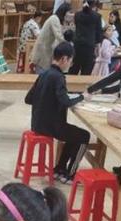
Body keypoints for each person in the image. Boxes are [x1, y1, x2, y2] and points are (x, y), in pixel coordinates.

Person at [25, 42, 91, 183]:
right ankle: (70, 174)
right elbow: (65, 101)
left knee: (73, 135)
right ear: (64, 59)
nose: (70, 64)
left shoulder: (44, 74)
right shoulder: (59, 77)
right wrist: (82, 97)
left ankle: (60, 169)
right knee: (84, 136)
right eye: (71, 61)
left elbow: (28, 99)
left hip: (37, 124)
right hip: (51, 126)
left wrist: (45, 100)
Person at [31, 3, 69, 74]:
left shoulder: (56, 19)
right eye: (68, 13)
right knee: (42, 73)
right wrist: (68, 45)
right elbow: (59, 36)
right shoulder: (54, 19)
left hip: (46, 48)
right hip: (43, 49)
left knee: (44, 70)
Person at [69, 0, 102, 75]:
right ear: (93, 5)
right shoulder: (97, 16)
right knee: (86, 70)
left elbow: (76, 27)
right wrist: (97, 45)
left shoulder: (77, 15)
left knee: (74, 68)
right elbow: (98, 33)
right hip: (89, 46)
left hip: (77, 45)